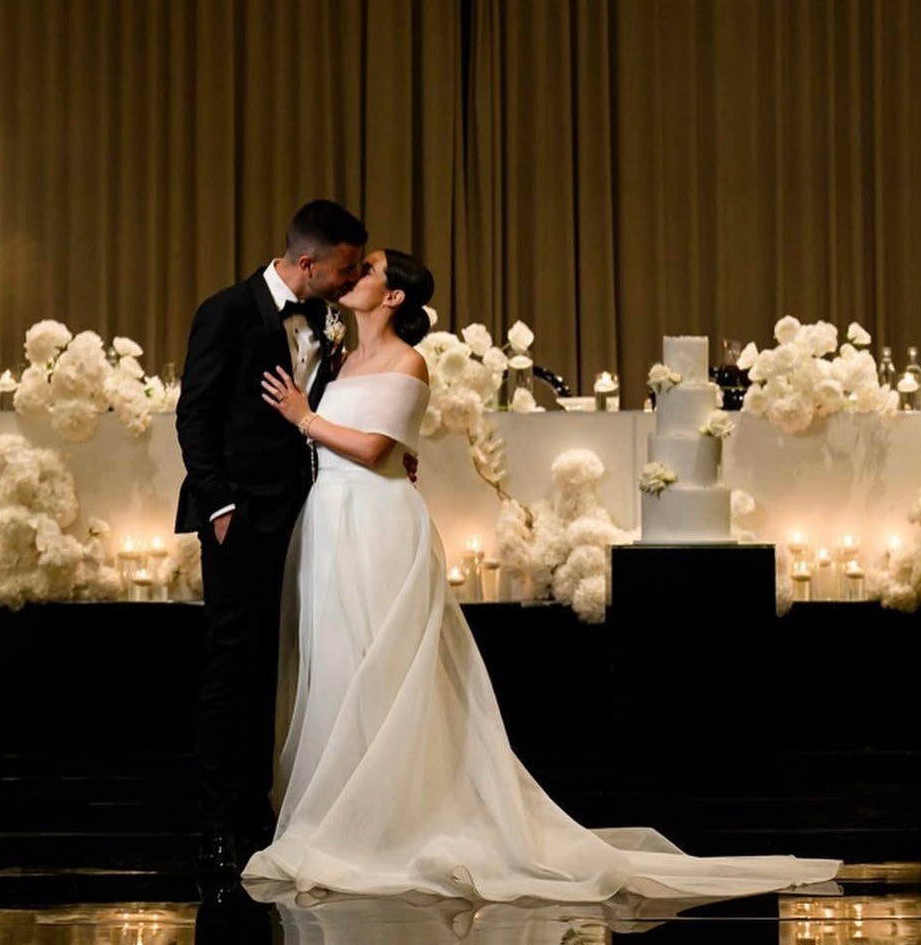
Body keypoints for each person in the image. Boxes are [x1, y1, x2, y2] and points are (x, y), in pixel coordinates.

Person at [245, 247, 842, 906]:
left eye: (371, 269)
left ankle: (388, 820)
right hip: (333, 521)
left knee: (384, 669)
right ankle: (345, 814)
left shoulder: (406, 360)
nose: (353, 273)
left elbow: (376, 446)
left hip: (379, 525)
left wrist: (306, 416)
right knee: (337, 665)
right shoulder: (338, 358)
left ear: (393, 298)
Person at [175, 197, 368, 887]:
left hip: (308, 512)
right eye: (344, 268)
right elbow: (193, 414)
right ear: (308, 260)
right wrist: (219, 504)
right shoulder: (226, 310)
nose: (350, 282)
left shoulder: (324, 318)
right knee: (234, 667)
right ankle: (222, 822)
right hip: (242, 515)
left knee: (282, 665)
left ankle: (262, 809)